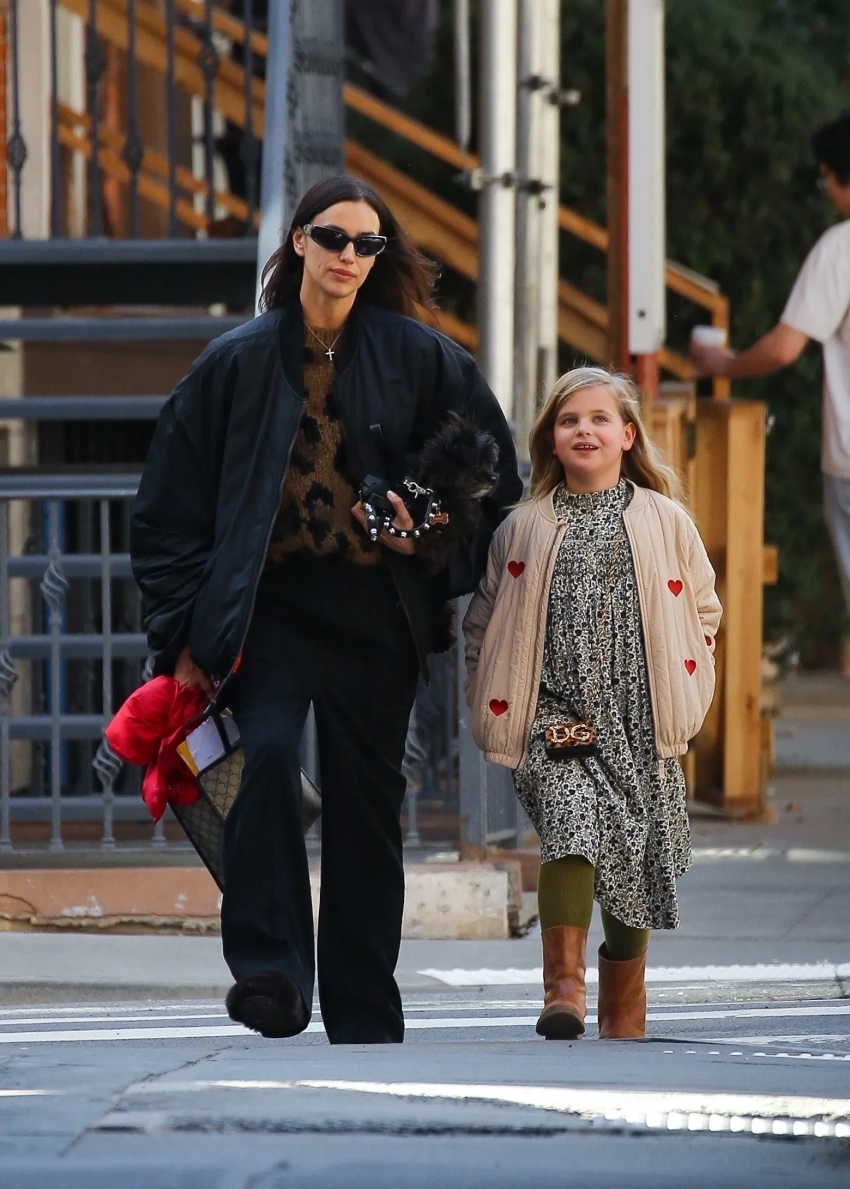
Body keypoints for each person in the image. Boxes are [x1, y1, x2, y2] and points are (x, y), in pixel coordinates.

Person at [131, 175, 522, 1045]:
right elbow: (165, 509)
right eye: (334, 237)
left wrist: (424, 531)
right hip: (268, 611)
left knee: (366, 803)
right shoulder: (234, 362)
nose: (349, 255)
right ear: (300, 241)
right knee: (265, 762)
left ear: (379, 257)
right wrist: (184, 631)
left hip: (377, 613)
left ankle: (364, 1003)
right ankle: (272, 973)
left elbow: (494, 482)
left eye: (367, 243)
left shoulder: (424, 358)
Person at [463, 367, 722, 1040]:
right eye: (569, 420)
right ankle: (565, 991)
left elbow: (704, 609)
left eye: (600, 418)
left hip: (640, 720)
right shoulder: (523, 528)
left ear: (628, 435)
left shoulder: (665, 521)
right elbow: (483, 621)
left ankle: (624, 1008)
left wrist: (690, 683)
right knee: (572, 822)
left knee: (634, 861)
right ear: (551, 439)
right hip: (555, 718)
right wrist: (491, 691)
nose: (584, 430)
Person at [690, 113, 850, 665]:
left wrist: (725, 363)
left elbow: (784, 347)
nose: (826, 192)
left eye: (825, 179)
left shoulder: (841, 248)